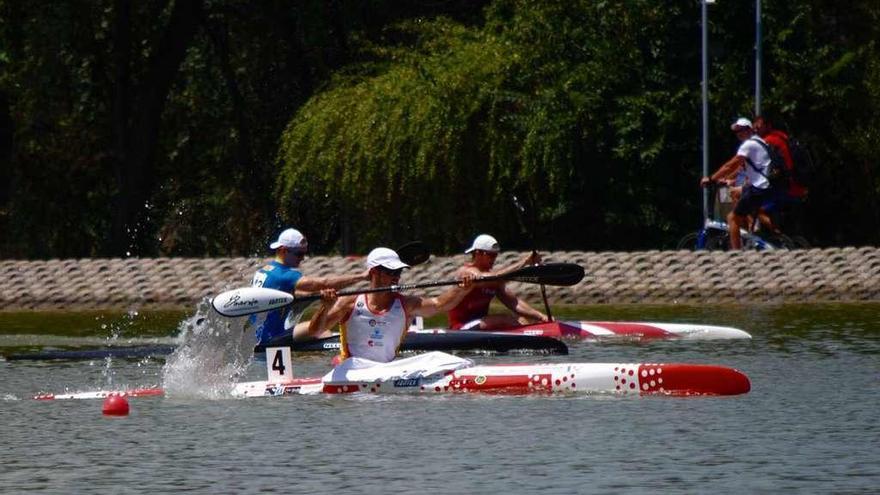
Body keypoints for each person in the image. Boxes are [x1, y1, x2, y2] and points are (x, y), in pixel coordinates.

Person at [307, 247, 474, 363]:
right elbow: (315, 332)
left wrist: (461, 289)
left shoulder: (406, 304)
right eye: (391, 272)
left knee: (439, 358)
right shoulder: (348, 303)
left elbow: (440, 305)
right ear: (374, 273)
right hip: (352, 368)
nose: (396, 277)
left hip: (386, 370)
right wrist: (325, 307)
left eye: (398, 272)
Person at [251, 228, 368, 344]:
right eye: (299, 254)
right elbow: (324, 283)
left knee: (319, 328)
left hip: (256, 337)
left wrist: (318, 295)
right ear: (283, 250)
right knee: (322, 330)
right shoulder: (286, 276)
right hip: (270, 338)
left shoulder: (264, 271)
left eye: (304, 253)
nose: (302, 258)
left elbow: (289, 294)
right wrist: (362, 277)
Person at [446, 234, 548, 330]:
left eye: (495, 255)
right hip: (461, 327)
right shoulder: (467, 271)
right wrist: (524, 262)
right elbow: (491, 277)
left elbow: (514, 303)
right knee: (504, 319)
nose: (494, 259)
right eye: (490, 255)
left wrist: (541, 316)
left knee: (521, 320)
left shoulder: (494, 280)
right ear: (478, 253)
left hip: (480, 324)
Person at [700, 118, 773, 250]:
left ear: (749, 129)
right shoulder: (759, 142)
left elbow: (731, 164)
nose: (739, 133)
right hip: (761, 186)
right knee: (735, 193)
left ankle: (737, 254)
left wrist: (711, 178)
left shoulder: (748, 144)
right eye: (737, 131)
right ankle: (746, 229)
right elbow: (739, 169)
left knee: (732, 218)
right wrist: (726, 179)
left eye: (742, 129)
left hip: (758, 187)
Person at [753, 114, 807, 234]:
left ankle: (779, 237)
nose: (756, 130)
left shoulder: (769, 141)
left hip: (786, 189)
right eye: (754, 127)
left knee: (752, 207)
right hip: (796, 186)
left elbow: (763, 167)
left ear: (768, 126)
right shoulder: (781, 136)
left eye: (759, 127)